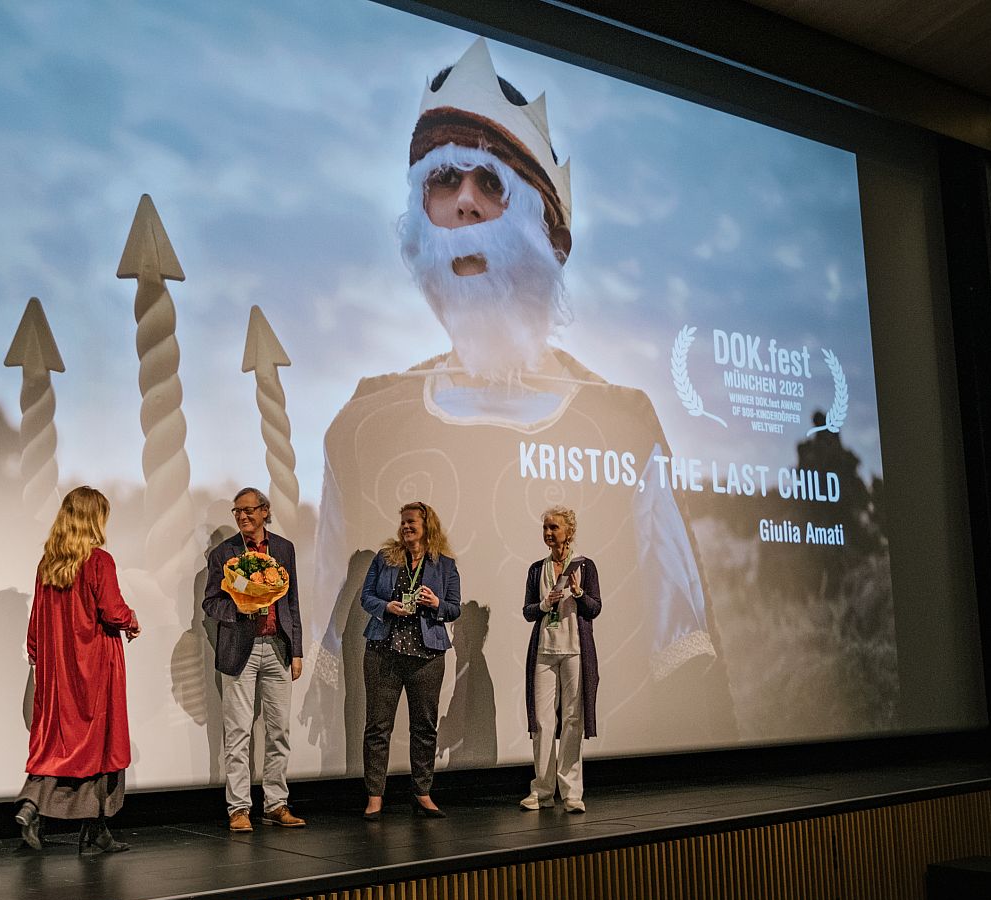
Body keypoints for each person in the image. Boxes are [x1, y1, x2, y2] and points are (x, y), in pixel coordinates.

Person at [308, 38, 735, 769]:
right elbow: (329, 677)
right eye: (444, 178)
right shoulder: (362, 429)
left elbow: (684, 661)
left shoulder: (622, 425)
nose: (465, 201)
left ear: (546, 229)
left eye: (492, 181)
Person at [13, 487, 140, 853]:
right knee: (101, 743)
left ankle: (35, 805)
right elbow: (112, 611)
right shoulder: (99, 561)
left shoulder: (48, 564)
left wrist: (38, 656)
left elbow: (36, 620)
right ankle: (95, 827)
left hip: (58, 668)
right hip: (96, 665)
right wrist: (131, 620)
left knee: (58, 742)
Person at [202, 487, 306, 832]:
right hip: (239, 650)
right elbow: (210, 603)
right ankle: (238, 808)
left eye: (248, 510)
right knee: (238, 732)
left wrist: (296, 651)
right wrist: (239, 607)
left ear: (264, 511)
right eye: (237, 512)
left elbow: (292, 603)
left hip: (277, 646)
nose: (242, 516)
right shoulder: (223, 553)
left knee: (279, 731)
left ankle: (276, 804)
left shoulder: (284, 549)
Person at [359, 501, 461, 819]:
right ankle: (375, 796)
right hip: (383, 651)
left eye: (411, 522)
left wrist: (437, 603)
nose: (405, 527)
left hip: (426, 656)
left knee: (424, 728)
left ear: (427, 525)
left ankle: (422, 793)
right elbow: (366, 597)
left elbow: (454, 608)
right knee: (378, 727)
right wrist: (386, 607)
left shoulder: (445, 565)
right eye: (403, 522)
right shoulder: (385, 558)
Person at [521, 506, 599, 813]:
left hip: (575, 651)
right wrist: (544, 604)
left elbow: (595, 608)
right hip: (544, 651)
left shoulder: (585, 566)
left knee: (572, 719)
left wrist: (578, 594)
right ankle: (542, 790)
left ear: (569, 531)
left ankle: (571, 793)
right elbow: (528, 612)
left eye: (554, 527)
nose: (548, 533)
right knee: (541, 722)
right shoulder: (536, 569)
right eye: (545, 528)